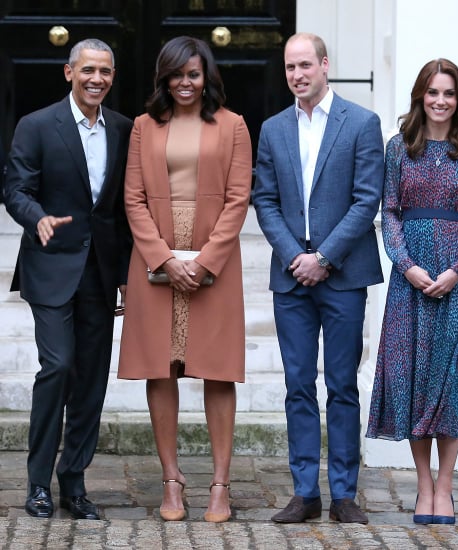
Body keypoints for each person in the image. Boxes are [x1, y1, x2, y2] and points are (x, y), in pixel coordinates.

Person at [118, 36, 252, 523]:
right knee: (162, 368)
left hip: (214, 260)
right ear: (164, 78)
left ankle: (220, 485)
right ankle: (171, 482)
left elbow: (239, 199)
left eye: (193, 74)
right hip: (155, 258)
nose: (184, 83)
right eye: (176, 74)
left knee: (217, 370)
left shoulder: (234, 125)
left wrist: (206, 261)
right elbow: (132, 197)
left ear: (206, 76)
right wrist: (163, 257)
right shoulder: (142, 126)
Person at [253, 32, 384, 524]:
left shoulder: (361, 123)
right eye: (290, 67)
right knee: (298, 384)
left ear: (325, 65)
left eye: (305, 65)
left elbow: (366, 198)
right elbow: (264, 199)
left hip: (344, 276)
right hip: (291, 279)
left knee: (343, 384)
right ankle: (305, 492)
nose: (297, 75)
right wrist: (295, 255)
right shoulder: (272, 129)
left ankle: (344, 493)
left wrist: (324, 256)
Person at [3, 38, 133, 519]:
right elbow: (16, 187)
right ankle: (37, 483)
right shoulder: (36, 126)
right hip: (51, 266)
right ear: (68, 72)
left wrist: (124, 274)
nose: (96, 79)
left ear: (112, 77)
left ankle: (72, 483)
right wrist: (35, 216)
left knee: (91, 382)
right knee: (57, 368)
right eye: (87, 70)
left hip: (100, 273)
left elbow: (121, 209)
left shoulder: (123, 129)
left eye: (104, 71)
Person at [366, 59, 458, 525]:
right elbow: (391, 213)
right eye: (432, 92)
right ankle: (423, 487)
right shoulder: (399, 148)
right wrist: (408, 266)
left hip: (457, 284)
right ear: (421, 96)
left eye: (449, 93)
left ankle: (446, 487)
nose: (440, 101)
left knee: (447, 386)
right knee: (413, 382)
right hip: (409, 283)